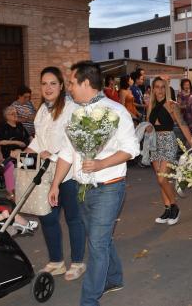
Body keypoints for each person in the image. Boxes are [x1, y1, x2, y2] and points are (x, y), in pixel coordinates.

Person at [51, 61, 139, 306]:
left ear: (85, 83)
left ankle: (89, 300)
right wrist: (55, 184)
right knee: (99, 239)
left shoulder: (116, 111)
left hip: (110, 186)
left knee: (97, 244)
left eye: (71, 82)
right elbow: (67, 153)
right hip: (83, 189)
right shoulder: (74, 112)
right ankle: (114, 277)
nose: (68, 87)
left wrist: (101, 164)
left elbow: (132, 149)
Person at [19, 66, 86, 280]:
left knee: (73, 219)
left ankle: (77, 262)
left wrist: (53, 154)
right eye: (44, 83)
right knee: (47, 218)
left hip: (68, 174)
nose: (48, 88)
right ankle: (56, 261)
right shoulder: (42, 110)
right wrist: (27, 152)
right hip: (45, 173)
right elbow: (39, 140)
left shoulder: (71, 108)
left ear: (61, 86)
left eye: (53, 83)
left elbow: (73, 142)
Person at [148, 77, 192, 226]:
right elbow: (149, 125)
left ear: (166, 89)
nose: (160, 90)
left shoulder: (172, 105)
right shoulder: (150, 104)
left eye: (162, 87)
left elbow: (182, 124)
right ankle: (167, 209)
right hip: (154, 143)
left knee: (162, 178)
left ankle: (175, 207)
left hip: (168, 140)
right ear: (153, 89)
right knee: (161, 181)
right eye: (157, 87)